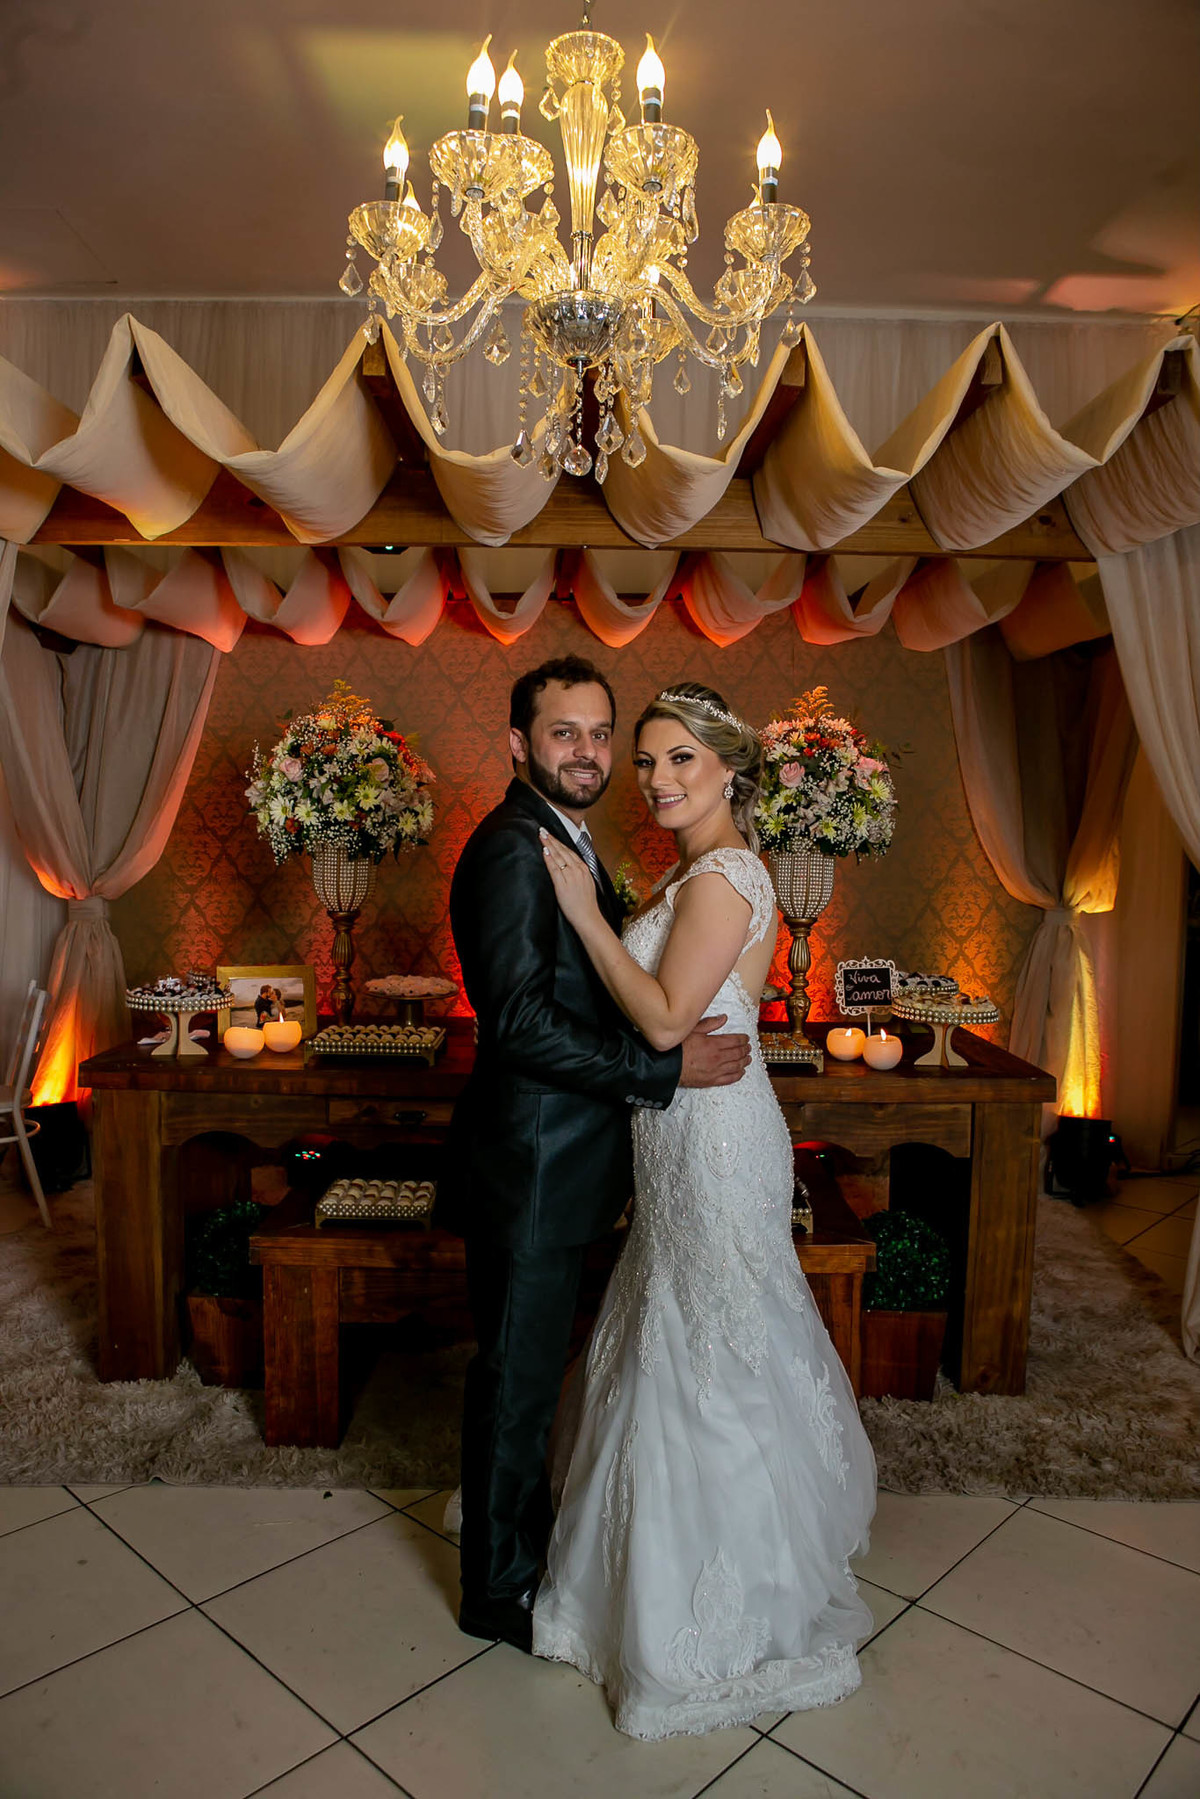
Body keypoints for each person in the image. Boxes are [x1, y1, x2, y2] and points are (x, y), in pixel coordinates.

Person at [533, 681, 877, 1740]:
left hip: (719, 1145)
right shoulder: (690, 872)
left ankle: (737, 1599)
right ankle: (639, 1569)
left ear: (731, 768)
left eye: (681, 757)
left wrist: (585, 916)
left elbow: (666, 1016)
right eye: (646, 761)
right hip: (675, 1135)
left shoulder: (728, 874)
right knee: (670, 1332)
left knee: (718, 1350)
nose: (658, 778)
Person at [438, 656, 752, 1656]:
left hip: (565, 1162)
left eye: (599, 732)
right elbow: (520, 1024)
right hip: (531, 1166)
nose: (587, 751)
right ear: (519, 744)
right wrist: (662, 1071)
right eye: (563, 731)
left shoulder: (565, 840)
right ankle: (497, 1591)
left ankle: (523, 1550)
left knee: (532, 1377)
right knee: (516, 1381)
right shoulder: (511, 849)